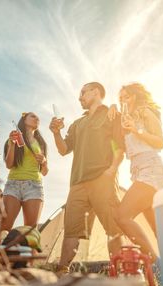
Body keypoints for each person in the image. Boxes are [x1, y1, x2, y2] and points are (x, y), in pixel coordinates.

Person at [49, 82, 125, 274]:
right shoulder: (77, 124)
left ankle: (120, 271)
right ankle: (62, 270)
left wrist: (112, 170)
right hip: (77, 184)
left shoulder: (112, 115)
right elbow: (64, 149)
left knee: (113, 227)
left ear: (96, 92)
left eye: (83, 92)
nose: (80, 97)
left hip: (103, 180)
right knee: (71, 230)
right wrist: (56, 133)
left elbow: (119, 145)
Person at [108, 83, 163, 258]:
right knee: (159, 232)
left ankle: (153, 263)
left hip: (152, 169)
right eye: (120, 98)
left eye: (126, 97)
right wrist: (112, 107)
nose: (122, 101)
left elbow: (160, 142)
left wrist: (136, 130)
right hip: (137, 172)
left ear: (135, 96)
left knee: (122, 216)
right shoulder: (124, 117)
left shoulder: (145, 112)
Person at [0, 112, 48, 239]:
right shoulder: (14, 138)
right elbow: (9, 165)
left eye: (38, 117)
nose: (37, 118)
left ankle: (30, 259)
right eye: (33, 116)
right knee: (4, 229)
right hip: (13, 185)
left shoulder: (41, 143)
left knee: (30, 231)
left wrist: (44, 162)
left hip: (34, 186)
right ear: (24, 119)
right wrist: (13, 144)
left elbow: (44, 172)